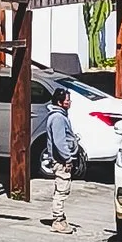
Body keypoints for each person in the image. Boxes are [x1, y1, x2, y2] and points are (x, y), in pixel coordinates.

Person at [41, 89, 81, 233]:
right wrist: (67, 158)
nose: (69, 103)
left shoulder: (60, 116)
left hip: (61, 160)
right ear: (59, 102)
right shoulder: (58, 118)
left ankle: (60, 218)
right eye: (67, 100)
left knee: (63, 188)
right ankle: (58, 220)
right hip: (60, 161)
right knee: (61, 190)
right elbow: (59, 142)